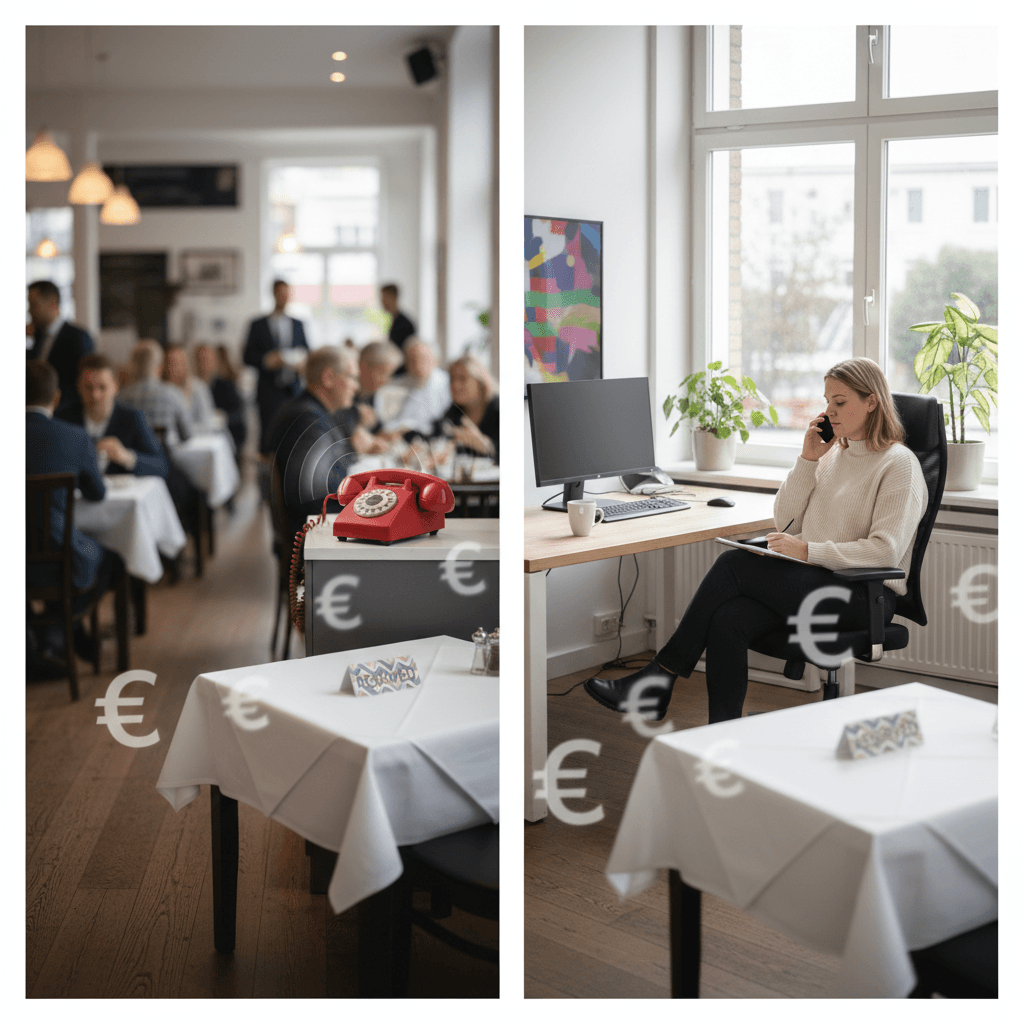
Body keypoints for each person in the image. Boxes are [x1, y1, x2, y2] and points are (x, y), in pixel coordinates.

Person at [584, 358, 927, 724]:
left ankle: (658, 678)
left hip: (863, 596)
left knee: (734, 566)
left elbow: (885, 550)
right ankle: (720, 732)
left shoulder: (898, 464)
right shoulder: (831, 456)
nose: (829, 411)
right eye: (827, 401)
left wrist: (809, 551)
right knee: (729, 618)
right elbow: (786, 520)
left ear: (872, 402)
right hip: (817, 581)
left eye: (840, 402)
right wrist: (808, 459)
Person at [26, 360, 123, 674]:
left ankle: (45, 637)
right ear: (55, 398)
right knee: (111, 561)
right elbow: (97, 493)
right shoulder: (74, 437)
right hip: (59, 559)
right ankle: (59, 628)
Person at [265, 346, 362, 540]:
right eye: (352, 377)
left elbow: (331, 470)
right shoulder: (308, 420)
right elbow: (315, 497)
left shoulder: (311, 411)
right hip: (318, 535)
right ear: (328, 378)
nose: (356, 386)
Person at [56, 353, 168, 478]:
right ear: (78, 387)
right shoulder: (63, 420)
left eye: (102, 388)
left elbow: (161, 466)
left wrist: (127, 457)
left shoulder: (132, 418)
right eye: (88, 387)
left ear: (115, 386)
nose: (95, 395)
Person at [243, 279, 308, 452]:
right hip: (268, 390)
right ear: (273, 294)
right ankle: (265, 474)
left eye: (286, 294)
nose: (283, 297)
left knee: (293, 434)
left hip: (292, 389)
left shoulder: (298, 324)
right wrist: (266, 360)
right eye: (280, 293)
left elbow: (306, 352)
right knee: (267, 435)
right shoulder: (257, 324)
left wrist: (300, 363)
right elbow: (246, 357)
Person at [27, 280, 94, 411]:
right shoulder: (38, 335)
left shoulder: (78, 337)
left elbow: (83, 383)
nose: (29, 311)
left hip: (65, 412)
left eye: (33, 305)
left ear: (52, 303)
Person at [118, 340, 193, 446]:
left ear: (132, 365)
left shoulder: (121, 397)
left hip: (133, 458)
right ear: (159, 366)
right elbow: (187, 435)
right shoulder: (173, 394)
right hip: (166, 458)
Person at [428, 354, 500, 463]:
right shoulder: (455, 411)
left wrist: (487, 447)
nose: (455, 385)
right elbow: (435, 435)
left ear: (479, 381)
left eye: (463, 378)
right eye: (452, 379)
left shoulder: (499, 409)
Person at [379, 338, 450, 436]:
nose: (418, 364)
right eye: (412, 359)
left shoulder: (447, 384)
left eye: (423, 358)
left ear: (435, 360)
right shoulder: (395, 386)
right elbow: (387, 420)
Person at [195, 344, 247, 456]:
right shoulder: (194, 387)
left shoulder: (226, 385)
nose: (204, 364)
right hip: (201, 435)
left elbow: (239, 414)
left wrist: (222, 417)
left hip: (226, 436)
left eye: (207, 359)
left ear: (214, 361)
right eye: (201, 360)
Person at [164, 343, 217, 432]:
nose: (172, 368)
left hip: (196, 440)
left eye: (176, 363)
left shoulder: (198, 387)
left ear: (185, 364)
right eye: (169, 363)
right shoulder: (162, 390)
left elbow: (206, 421)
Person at [354, 339, 404, 433]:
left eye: (390, 375)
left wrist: (387, 434)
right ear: (364, 366)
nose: (387, 380)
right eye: (384, 374)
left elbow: (377, 427)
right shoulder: (346, 396)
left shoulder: (369, 394)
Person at [380, 282, 416, 350]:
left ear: (393, 297)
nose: (382, 301)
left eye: (384, 297)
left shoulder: (405, 324)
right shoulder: (393, 320)